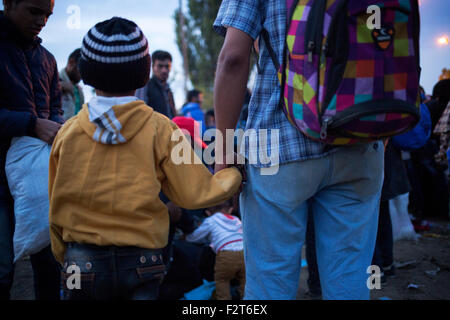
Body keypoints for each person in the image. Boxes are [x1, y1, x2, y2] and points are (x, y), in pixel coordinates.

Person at [48, 17, 242, 300]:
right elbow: (196, 193)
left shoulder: (67, 132)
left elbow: (55, 204)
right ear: (144, 71)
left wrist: (63, 255)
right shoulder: (162, 128)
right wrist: (233, 173)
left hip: (80, 263)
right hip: (143, 263)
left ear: (87, 73)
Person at [213, 0, 384, 300]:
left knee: (270, 284)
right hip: (360, 140)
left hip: (280, 147)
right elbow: (387, 43)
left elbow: (233, 58)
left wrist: (224, 154)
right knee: (350, 281)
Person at [0, 0, 63, 300]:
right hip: (0, 183)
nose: (43, 21)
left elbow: (55, 111)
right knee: (3, 270)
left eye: (48, 14)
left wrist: (56, 129)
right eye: (34, 12)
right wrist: (31, 124)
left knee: (50, 266)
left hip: (39, 181)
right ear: (8, 3)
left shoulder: (48, 60)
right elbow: (39, 121)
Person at [186, 200, 245, 300]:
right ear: (230, 209)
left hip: (226, 254)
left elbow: (195, 237)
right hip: (244, 253)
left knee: (222, 280)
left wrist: (185, 237)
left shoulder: (211, 220)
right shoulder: (236, 220)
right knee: (244, 280)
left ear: (208, 212)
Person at [136, 50, 177, 119]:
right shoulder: (145, 86)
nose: (164, 70)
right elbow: (140, 113)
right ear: (152, 67)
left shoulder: (168, 91)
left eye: (167, 66)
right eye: (160, 66)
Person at [59, 48, 84, 120]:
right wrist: (58, 85)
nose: (82, 75)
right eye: (81, 70)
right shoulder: (52, 82)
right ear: (71, 62)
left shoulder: (79, 89)